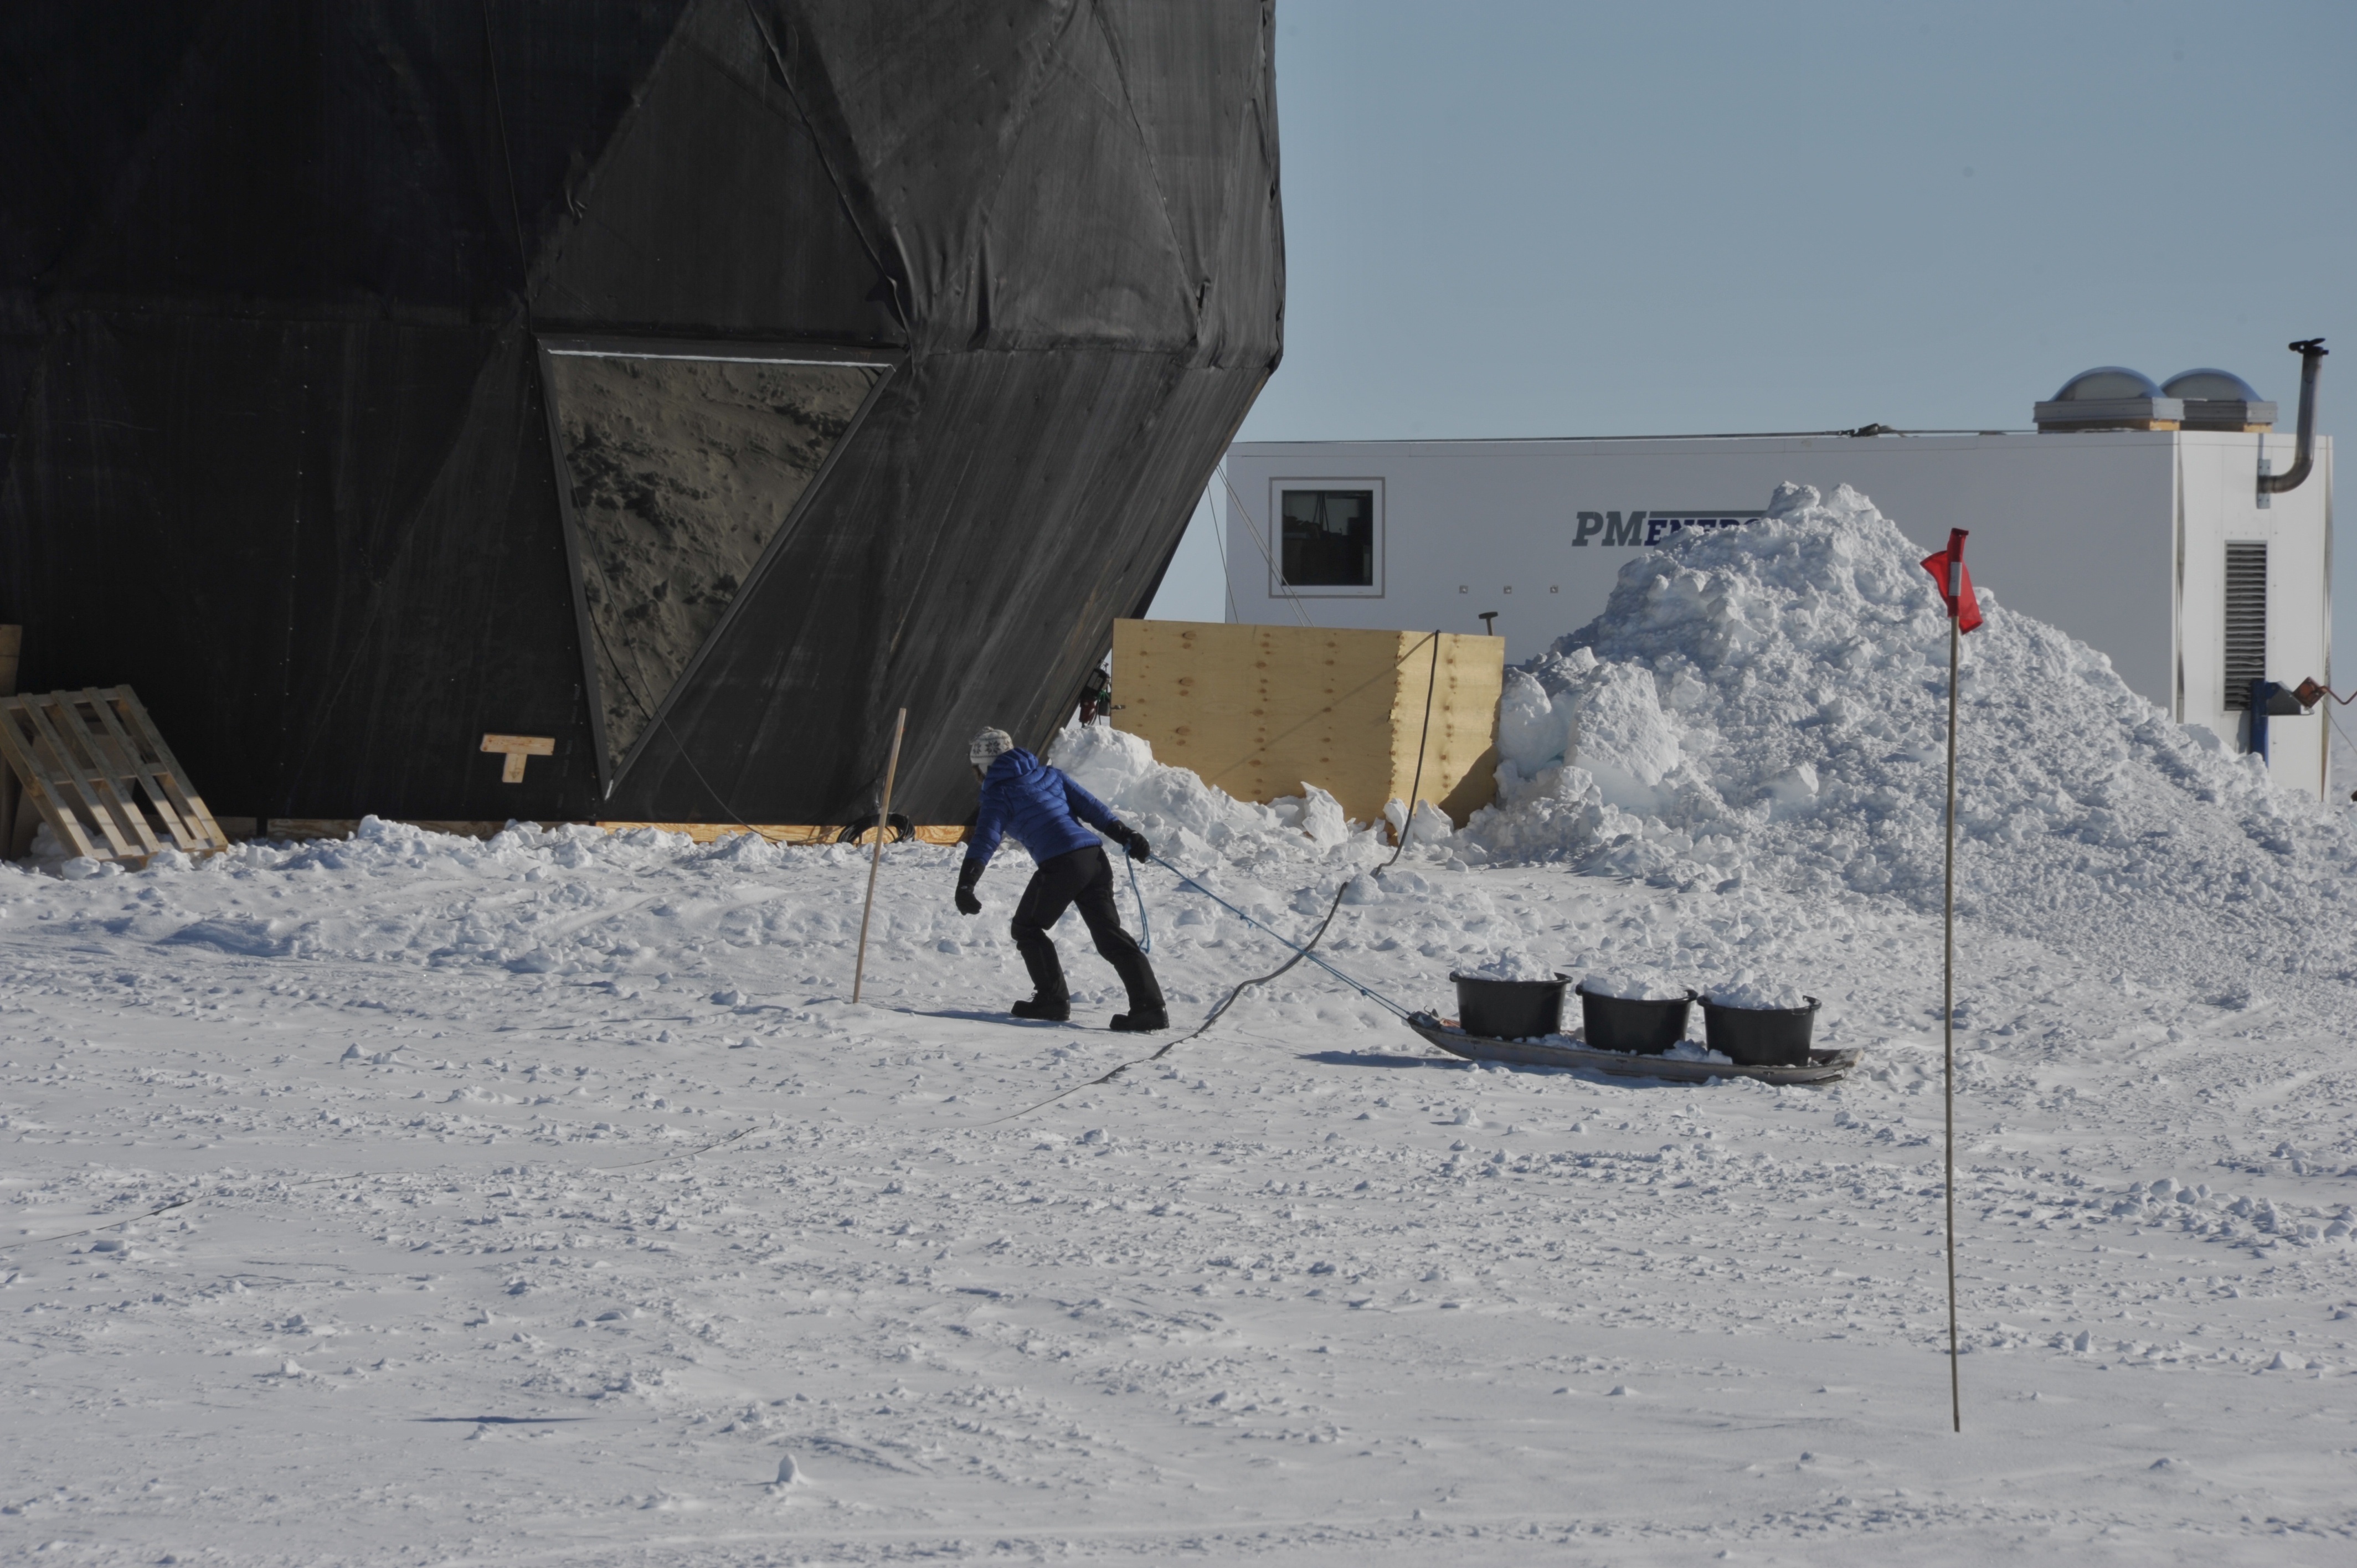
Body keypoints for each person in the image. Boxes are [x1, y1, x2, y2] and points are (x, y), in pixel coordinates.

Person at [955, 727, 1167, 1031]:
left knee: (1026, 928)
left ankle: (1052, 1000)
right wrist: (1127, 835)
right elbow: (1093, 808)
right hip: (1094, 858)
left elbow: (985, 839)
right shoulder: (1050, 775)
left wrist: (967, 883)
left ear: (983, 767)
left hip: (1062, 863)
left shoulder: (997, 792)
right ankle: (1150, 1008)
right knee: (1110, 935)